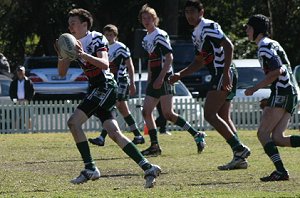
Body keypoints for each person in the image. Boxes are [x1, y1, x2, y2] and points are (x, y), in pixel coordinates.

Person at [55, 8, 160, 188]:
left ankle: (90, 169)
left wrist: (83, 54)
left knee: (73, 122)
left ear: (84, 24)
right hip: (97, 88)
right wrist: (62, 53)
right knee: (113, 133)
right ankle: (148, 167)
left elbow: (104, 64)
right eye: (69, 23)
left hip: (106, 87)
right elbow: (62, 73)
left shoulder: (95, 38)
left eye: (73, 23)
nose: (70, 27)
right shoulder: (74, 42)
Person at [170, 0, 251, 170]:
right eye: (186, 12)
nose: (189, 15)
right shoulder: (195, 33)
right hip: (222, 73)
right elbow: (199, 61)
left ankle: (239, 149)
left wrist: (225, 73)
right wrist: (180, 74)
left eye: (192, 11)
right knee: (223, 115)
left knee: (209, 114)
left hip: (223, 72)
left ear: (201, 12)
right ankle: (239, 157)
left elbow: (228, 45)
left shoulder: (208, 26)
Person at [139, 4, 206, 156]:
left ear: (155, 19)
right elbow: (152, 60)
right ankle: (155, 146)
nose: (146, 21)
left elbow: (169, 57)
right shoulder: (145, 38)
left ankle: (197, 134)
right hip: (156, 78)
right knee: (146, 112)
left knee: (168, 114)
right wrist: (150, 79)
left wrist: (161, 77)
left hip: (164, 77)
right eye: (144, 18)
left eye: (149, 18)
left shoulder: (159, 34)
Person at [245, 14, 300, 181]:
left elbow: (278, 71)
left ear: (256, 30)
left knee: (262, 134)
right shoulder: (272, 43)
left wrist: (254, 88)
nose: (246, 31)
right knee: (278, 138)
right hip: (292, 93)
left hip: (283, 93)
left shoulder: (264, 46)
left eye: (248, 28)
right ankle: (281, 171)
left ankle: (281, 171)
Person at [88, 24, 145, 146]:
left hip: (121, 81)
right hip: (110, 82)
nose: (108, 37)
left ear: (115, 35)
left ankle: (102, 137)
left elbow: (130, 66)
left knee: (112, 106)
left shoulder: (121, 48)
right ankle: (138, 135)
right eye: (106, 35)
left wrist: (132, 82)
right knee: (123, 110)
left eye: (111, 35)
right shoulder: (102, 48)